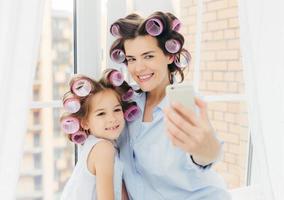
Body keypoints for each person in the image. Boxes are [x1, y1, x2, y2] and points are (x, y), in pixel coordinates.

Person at [109, 11, 231, 199]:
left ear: (169, 56)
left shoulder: (183, 107)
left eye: (148, 56)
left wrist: (207, 149)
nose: (138, 68)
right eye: (132, 59)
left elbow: (205, 155)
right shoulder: (125, 105)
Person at [60, 69, 140, 200]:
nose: (112, 118)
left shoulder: (99, 145)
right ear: (85, 123)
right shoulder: (103, 149)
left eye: (116, 109)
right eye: (101, 113)